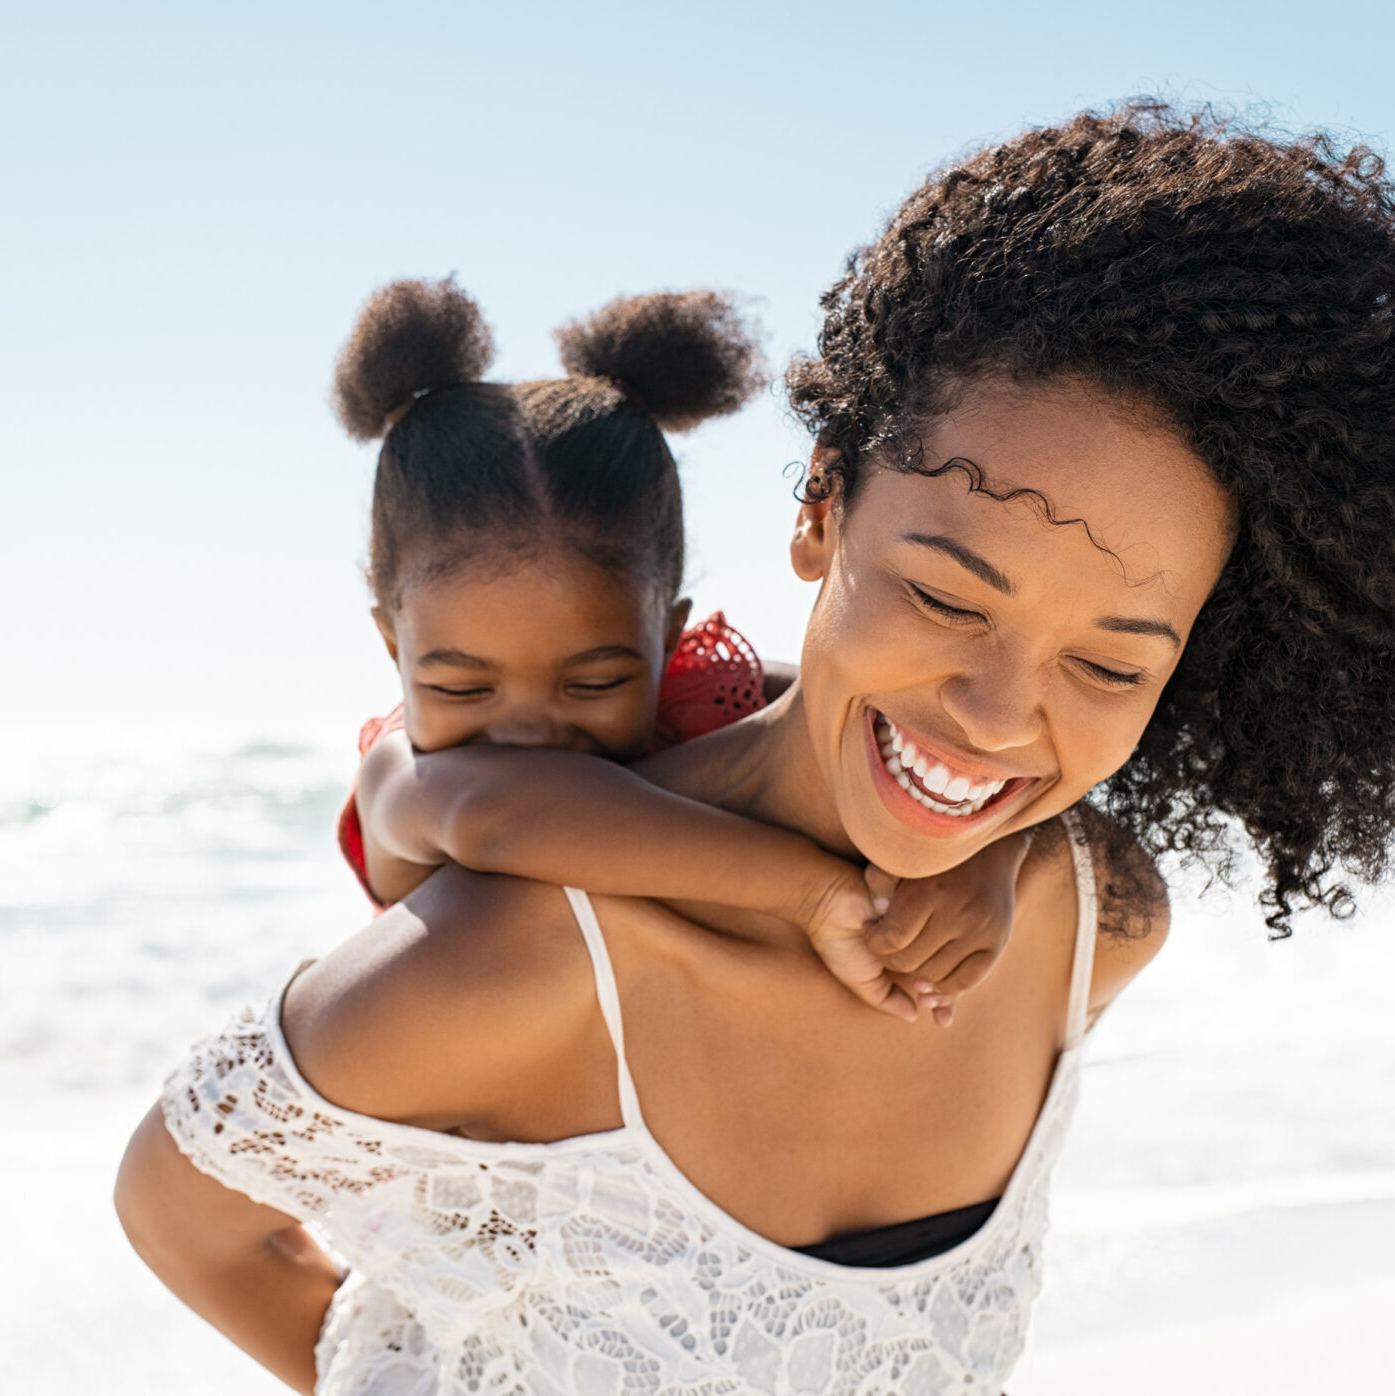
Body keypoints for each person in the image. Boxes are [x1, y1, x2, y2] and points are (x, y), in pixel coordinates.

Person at [115, 101, 1395, 1395]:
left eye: (1112, 656)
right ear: (818, 509)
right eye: (944, 592)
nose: (997, 714)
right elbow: (184, 1214)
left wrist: (1004, 859)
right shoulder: (517, 958)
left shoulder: (1093, 923)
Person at [326, 280, 1025, 1023]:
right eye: (464, 689)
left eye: (593, 683)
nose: (528, 732)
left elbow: (918, 728)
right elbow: (496, 812)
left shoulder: (701, 693)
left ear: (667, 634)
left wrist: (992, 854)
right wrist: (815, 893)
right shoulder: (401, 778)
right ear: (393, 643)